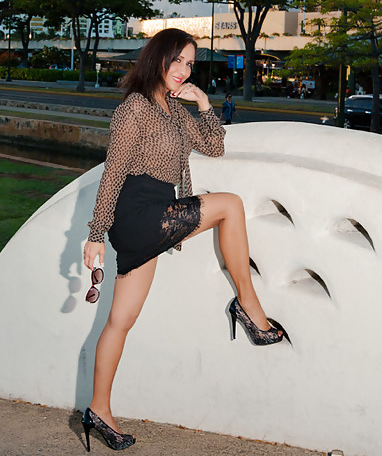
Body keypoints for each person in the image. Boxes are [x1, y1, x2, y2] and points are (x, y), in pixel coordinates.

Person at [81, 28, 284, 452]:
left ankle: (98, 410)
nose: (183, 71)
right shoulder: (133, 109)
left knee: (121, 320)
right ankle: (249, 307)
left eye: (190, 64)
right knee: (230, 205)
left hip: (156, 214)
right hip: (136, 213)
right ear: (157, 59)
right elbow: (113, 171)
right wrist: (96, 234)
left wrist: (205, 104)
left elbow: (214, 146)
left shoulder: (176, 113)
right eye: (177, 61)